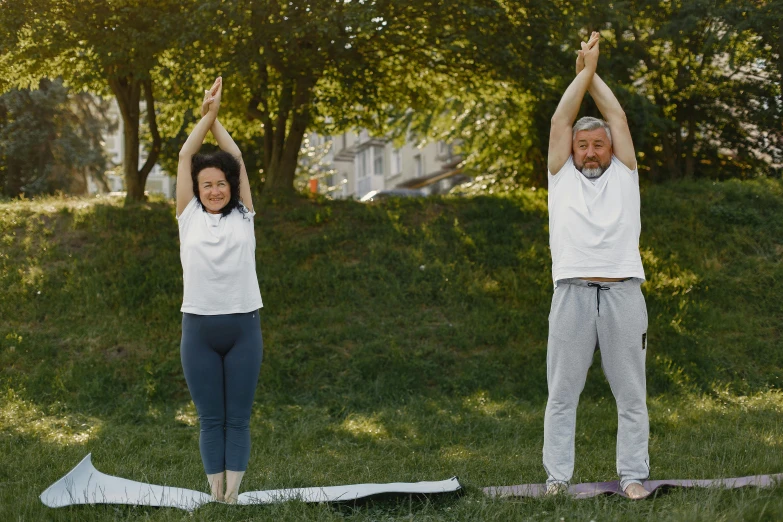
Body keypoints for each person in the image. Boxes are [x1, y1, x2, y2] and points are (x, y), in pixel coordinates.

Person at [543, 32, 650, 499]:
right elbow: (561, 116)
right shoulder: (561, 175)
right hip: (572, 294)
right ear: (572, 149)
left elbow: (617, 117)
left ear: (610, 149)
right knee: (562, 395)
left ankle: (632, 477)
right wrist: (583, 71)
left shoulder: (626, 175)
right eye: (581, 144)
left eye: (597, 145)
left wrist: (592, 70)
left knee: (631, 397)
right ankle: (556, 480)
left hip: (624, 292)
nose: (588, 151)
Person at [176, 77, 264, 503]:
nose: (214, 190)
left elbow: (238, 157)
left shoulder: (244, 215)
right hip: (199, 330)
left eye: (221, 184)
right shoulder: (187, 215)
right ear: (198, 189)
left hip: (244, 327)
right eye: (206, 184)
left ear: (231, 187)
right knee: (211, 419)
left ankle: (234, 494)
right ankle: (217, 496)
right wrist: (205, 116)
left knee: (238, 420)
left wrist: (218, 120)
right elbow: (186, 153)